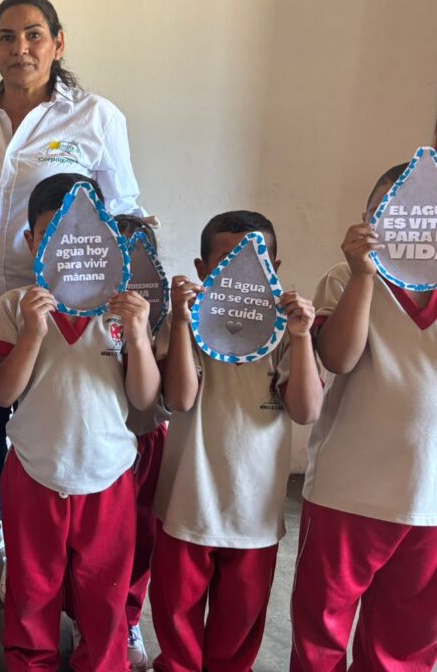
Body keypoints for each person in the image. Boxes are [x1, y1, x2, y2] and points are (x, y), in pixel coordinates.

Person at [0, 0, 145, 572]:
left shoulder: (95, 119)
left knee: (48, 425)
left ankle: (38, 546)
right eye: (7, 38)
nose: (21, 48)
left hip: (53, 308)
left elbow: (122, 214)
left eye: (34, 34)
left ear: (58, 43)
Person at [0, 173, 161, 672]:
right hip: (34, 472)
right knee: (31, 590)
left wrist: (140, 335)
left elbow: (143, 400)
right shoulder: (14, 306)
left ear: (105, 238)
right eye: (51, 234)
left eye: (80, 234)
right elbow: (2, 394)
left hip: (107, 477)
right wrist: (31, 333)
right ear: (31, 241)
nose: (66, 246)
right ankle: (29, 661)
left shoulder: (122, 310)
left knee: (104, 593)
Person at [151, 211, 323, 672]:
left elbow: (307, 410)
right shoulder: (182, 323)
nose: (241, 269)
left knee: (240, 625)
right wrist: (184, 322)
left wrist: (303, 336)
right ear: (203, 268)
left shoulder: (286, 329)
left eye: (257, 258)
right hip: (187, 502)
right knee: (176, 617)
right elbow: (180, 399)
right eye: (226, 259)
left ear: (275, 267)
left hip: (255, 512)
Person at [290, 166, 437, 672]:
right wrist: (362, 275)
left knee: (407, 640)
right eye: (384, 213)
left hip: (429, 501)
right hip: (346, 490)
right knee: (321, 629)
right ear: (366, 219)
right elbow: (338, 358)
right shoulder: (343, 278)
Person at [115, 213, 171, 672]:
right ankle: (84, 612)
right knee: (96, 542)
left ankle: (128, 616)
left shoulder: (163, 316)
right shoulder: (81, 306)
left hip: (148, 438)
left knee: (142, 537)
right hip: (97, 441)